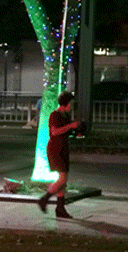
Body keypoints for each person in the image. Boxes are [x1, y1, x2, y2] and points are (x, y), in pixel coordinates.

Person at [37, 90, 82, 219]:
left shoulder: (65, 116)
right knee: (62, 178)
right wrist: (70, 126)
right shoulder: (54, 115)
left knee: (63, 179)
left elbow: (64, 131)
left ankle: (60, 208)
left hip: (63, 148)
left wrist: (75, 131)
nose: (72, 106)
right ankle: (44, 199)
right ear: (66, 103)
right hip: (55, 149)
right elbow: (55, 132)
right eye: (71, 103)